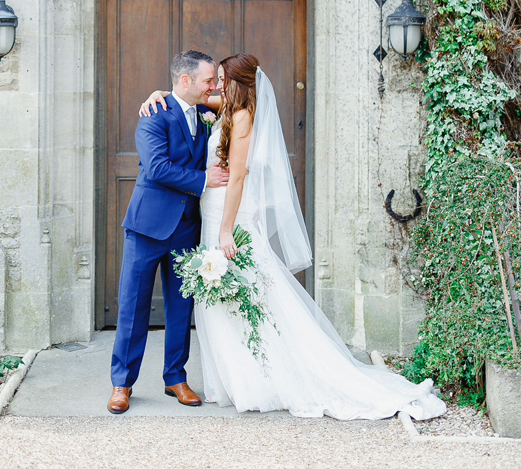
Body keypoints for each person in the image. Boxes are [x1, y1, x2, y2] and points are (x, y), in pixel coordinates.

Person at [139, 54, 446, 419]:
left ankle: (262, 380)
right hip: (209, 213)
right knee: (222, 303)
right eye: (213, 79)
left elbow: (237, 177)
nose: (215, 85)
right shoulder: (225, 105)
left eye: (221, 79)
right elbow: (187, 96)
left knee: (249, 296)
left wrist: (225, 230)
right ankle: (237, 380)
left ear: (237, 82)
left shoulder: (241, 116)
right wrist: (159, 92)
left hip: (224, 216)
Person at [107, 50, 230, 414]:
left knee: (180, 307)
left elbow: (239, 99)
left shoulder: (207, 114)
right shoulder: (153, 115)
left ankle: (175, 377)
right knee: (133, 307)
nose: (213, 87)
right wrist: (204, 179)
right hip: (147, 227)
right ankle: (121, 384)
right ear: (185, 81)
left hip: (186, 229)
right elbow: (157, 167)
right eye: (208, 80)